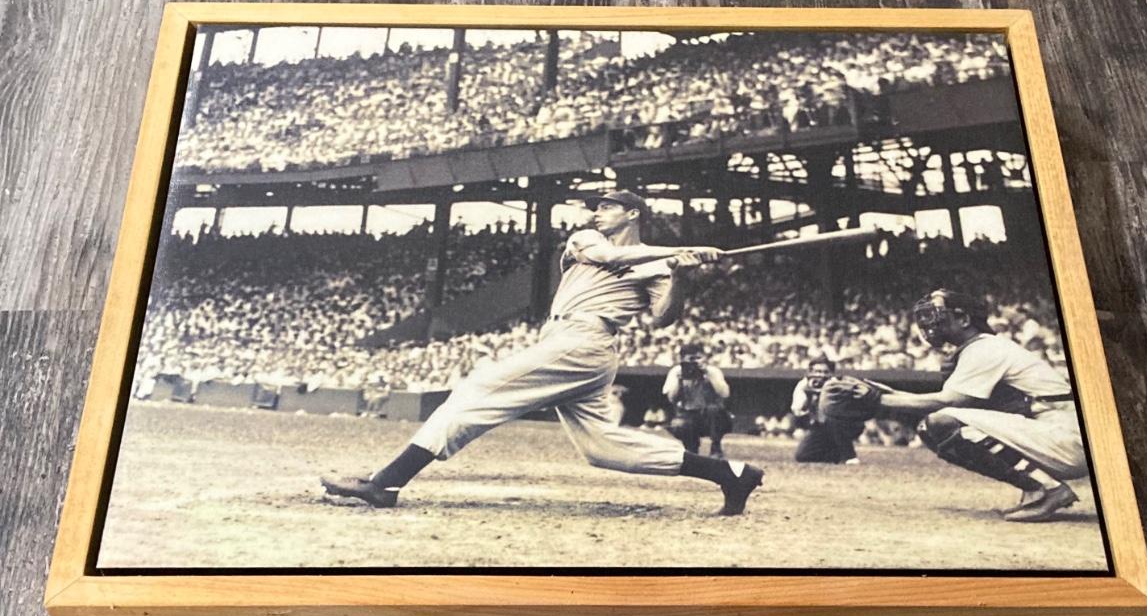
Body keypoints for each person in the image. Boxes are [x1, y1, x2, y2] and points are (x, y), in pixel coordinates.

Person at [321, 190, 764, 515]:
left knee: (477, 388)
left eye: (607, 206)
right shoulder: (586, 239)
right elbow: (612, 258)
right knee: (603, 448)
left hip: (588, 342)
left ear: (633, 212)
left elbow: (663, 318)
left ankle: (386, 483)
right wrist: (681, 252)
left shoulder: (658, 264)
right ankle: (732, 475)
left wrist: (682, 274)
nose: (596, 212)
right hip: (563, 339)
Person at [877, 288, 1087, 521]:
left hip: (1066, 436)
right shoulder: (983, 346)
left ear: (964, 319)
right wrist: (886, 393)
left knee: (942, 423)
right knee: (934, 426)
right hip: (1056, 433)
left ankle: (1049, 489)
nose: (930, 322)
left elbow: (948, 401)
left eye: (938, 313)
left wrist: (880, 401)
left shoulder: (984, 348)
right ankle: (1036, 489)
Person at [663, 341, 733, 457]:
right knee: (679, 425)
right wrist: (679, 380)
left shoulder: (712, 371)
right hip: (688, 414)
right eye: (691, 359)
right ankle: (691, 448)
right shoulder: (676, 372)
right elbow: (671, 398)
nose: (694, 363)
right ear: (682, 360)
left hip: (709, 416)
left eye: (698, 358)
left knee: (714, 410)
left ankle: (716, 447)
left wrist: (708, 375)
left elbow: (725, 394)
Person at [791, 356, 862, 464]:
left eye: (825, 372)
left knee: (833, 417)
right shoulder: (803, 385)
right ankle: (835, 455)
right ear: (810, 372)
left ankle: (850, 456)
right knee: (803, 456)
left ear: (831, 374)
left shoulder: (837, 385)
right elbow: (797, 410)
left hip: (847, 424)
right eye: (817, 371)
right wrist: (808, 397)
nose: (821, 375)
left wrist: (823, 394)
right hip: (820, 425)